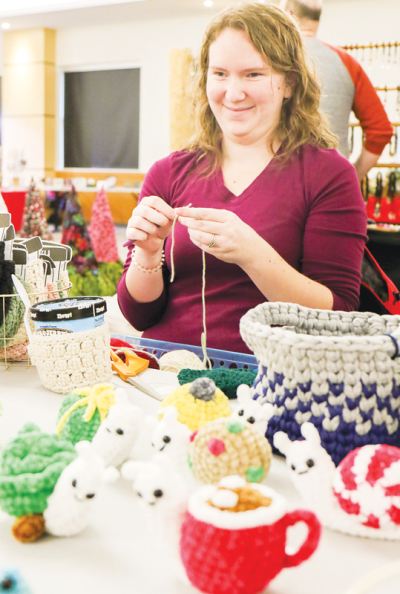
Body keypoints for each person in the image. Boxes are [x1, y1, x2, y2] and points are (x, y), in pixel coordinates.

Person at [117, 2, 367, 354]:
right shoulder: (168, 172)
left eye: (253, 74)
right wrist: (147, 254)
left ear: (289, 84)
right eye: (219, 74)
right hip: (162, 383)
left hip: (270, 387)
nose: (233, 94)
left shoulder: (328, 175)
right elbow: (139, 315)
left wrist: (252, 255)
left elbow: (338, 316)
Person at [280, 0, 393, 181]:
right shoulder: (347, 62)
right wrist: (351, 177)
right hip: (333, 181)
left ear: (288, 14)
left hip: (280, 181)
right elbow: (381, 130)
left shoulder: (273, 61)